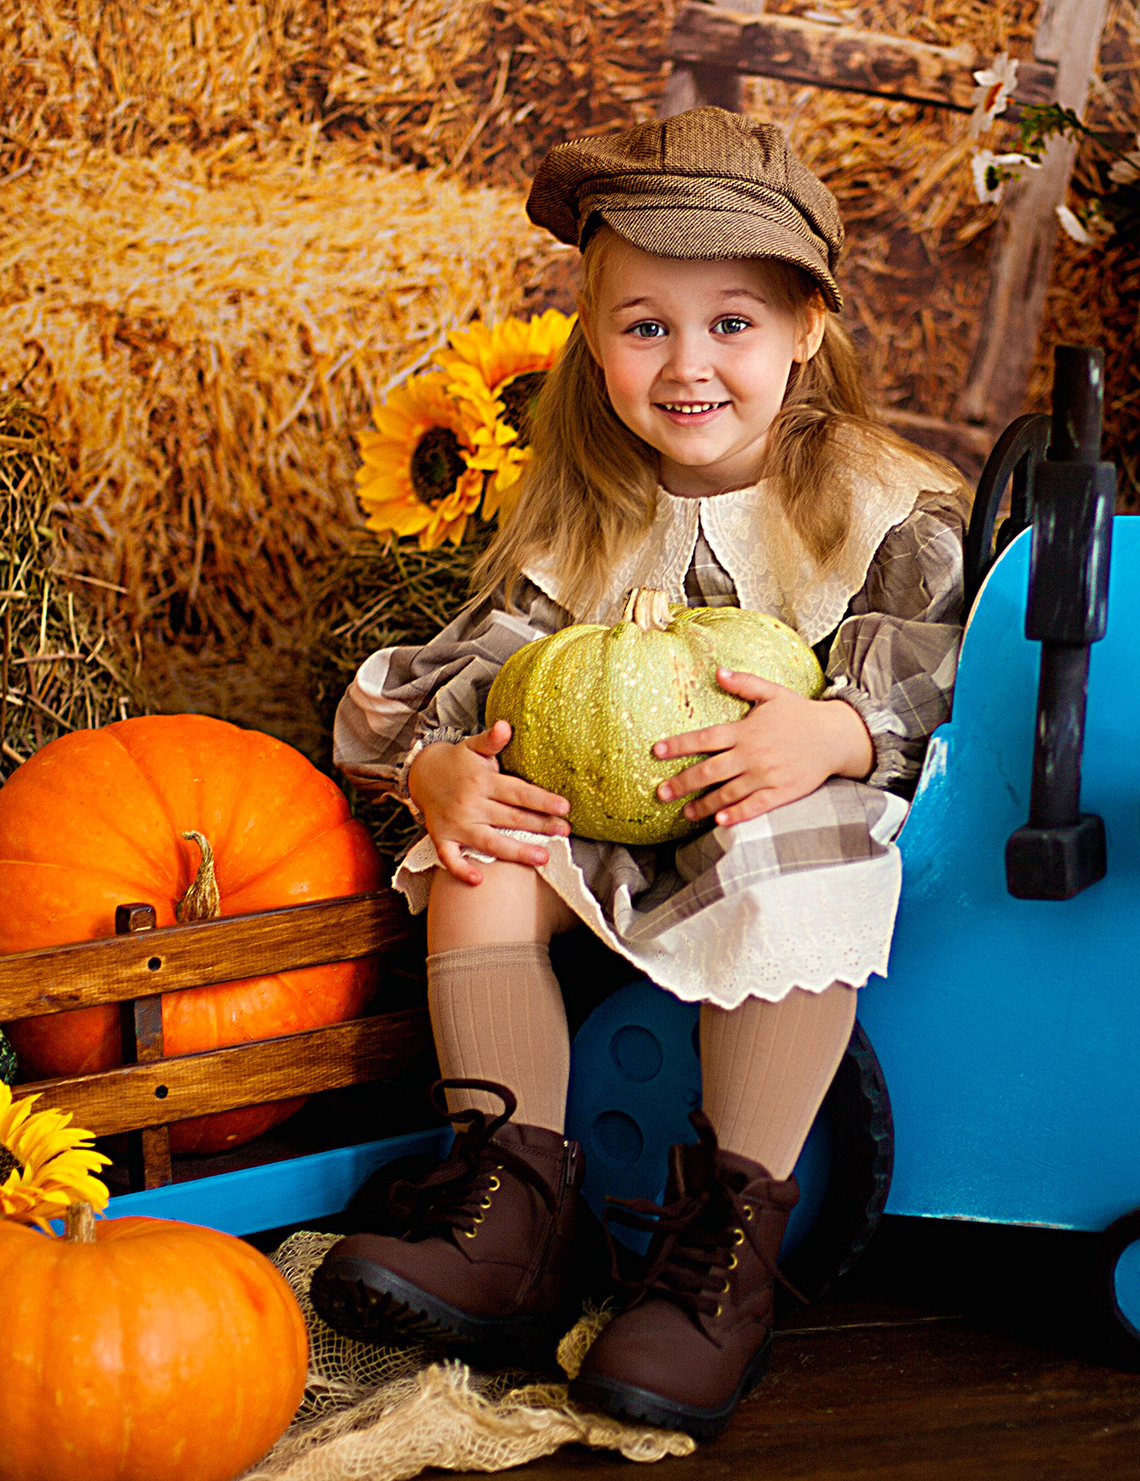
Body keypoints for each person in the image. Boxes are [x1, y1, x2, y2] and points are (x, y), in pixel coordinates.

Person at [315, 107, 967, 1440]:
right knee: (487, 852)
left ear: (806, 333)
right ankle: (511, 1202)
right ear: (591, 340)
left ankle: (726, 1247)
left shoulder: (872, 502)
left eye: (732, 323)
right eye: (643, 324)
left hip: (781, 809)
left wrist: (836, 734)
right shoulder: (583, 512)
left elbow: (949, 664)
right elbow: (478, 669)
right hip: (614, 807)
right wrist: (436, 768)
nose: (688, 365)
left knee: (804, 849)